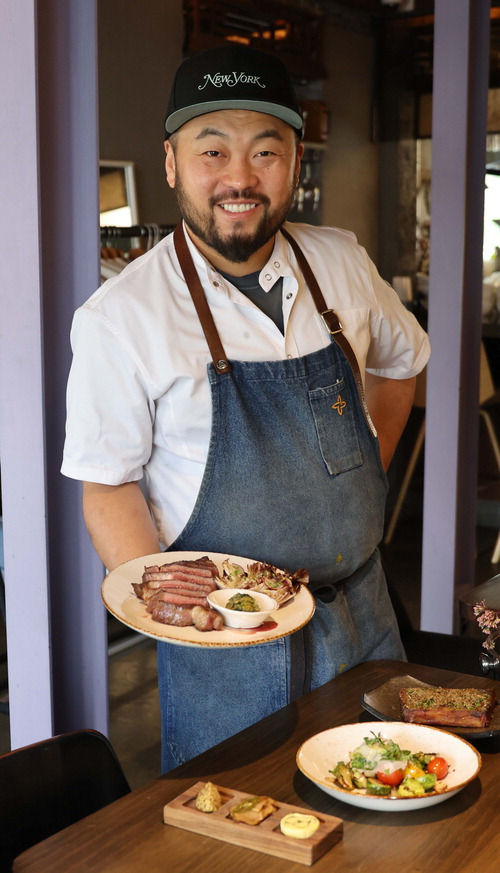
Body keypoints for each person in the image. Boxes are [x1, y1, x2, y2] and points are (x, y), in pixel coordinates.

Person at [62, 44, 430, 771]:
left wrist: (365, 473)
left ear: (295, 161)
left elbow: (402, 363)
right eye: (213, 150)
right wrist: (185, 613)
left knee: (392, 816)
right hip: (229, 659)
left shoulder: (341, 262)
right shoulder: (121, 316)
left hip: (364, 624)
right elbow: (106, 483)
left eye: (267, 150)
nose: (239, 177)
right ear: (171, 164)